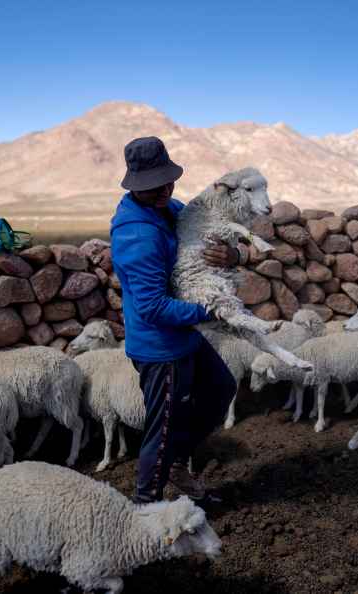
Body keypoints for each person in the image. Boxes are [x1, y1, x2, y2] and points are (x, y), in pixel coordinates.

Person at [110, 136, 239, 504]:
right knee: (163, 429)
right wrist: (214, 309)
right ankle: (146, 508)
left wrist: (234, 255)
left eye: (169, 180)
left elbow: (210, 237)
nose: (166, 188)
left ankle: (178, 467)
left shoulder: (169, 209)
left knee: (219, 391)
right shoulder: (137, 234)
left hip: (185, 335)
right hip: (160, 346)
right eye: (155, 185)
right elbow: (152, 306)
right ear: (137, 186)